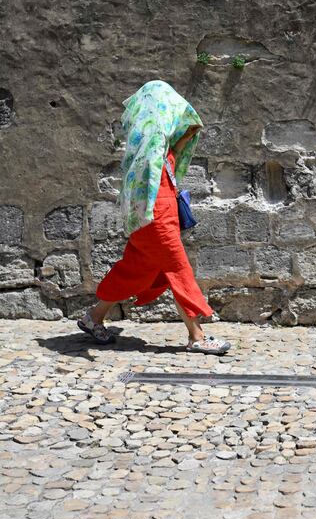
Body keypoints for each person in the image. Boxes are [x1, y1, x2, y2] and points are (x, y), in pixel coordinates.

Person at [78, 80, 231, 354]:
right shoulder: (151, 146)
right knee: (178, 268)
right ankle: (197, 337)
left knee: (135, 271)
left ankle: (94, 317)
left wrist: (189, 128)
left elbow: (172, 149)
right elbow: (153, 167)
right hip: (156, 216)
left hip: (156, 216)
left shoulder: (154, 143)